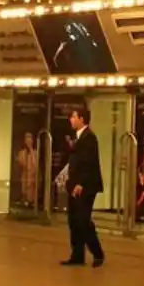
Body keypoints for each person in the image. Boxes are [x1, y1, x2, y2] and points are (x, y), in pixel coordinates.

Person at [61, 108, 105, 267]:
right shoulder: (78, 138)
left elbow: (89, 163)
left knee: (83, 220)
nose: (70, 120)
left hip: (85, 186)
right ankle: (77, 255)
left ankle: (97, 253)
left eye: (73, 116)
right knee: (73, 220)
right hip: (73, 185)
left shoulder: (89, 138)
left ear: (82, 119)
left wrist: (81, 183)